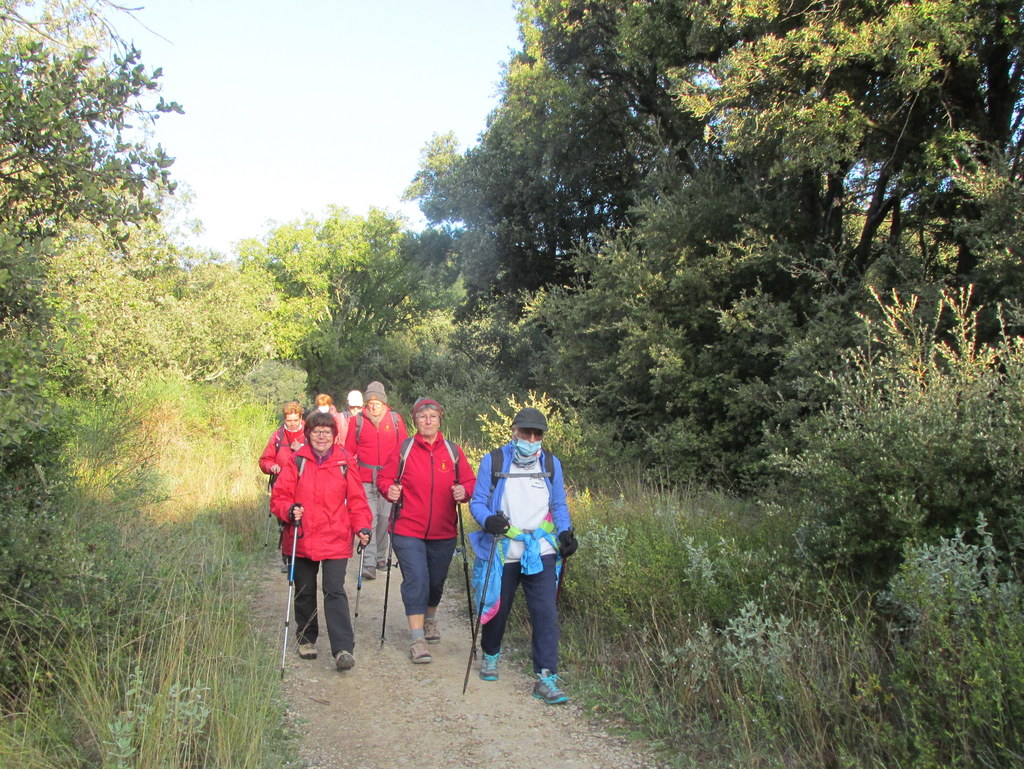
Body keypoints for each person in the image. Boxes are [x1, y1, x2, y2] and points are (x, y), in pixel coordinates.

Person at [468, 407, 578, 704]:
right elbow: (478, 502)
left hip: (540, 549)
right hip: (504, 549)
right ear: (514, 431)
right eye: (525, 433)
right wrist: (488, 520)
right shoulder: (494, 460)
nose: (531, 439)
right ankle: (491, 654)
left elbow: (559, 506)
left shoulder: (552, 464)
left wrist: (566, 533)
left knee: (545, 614)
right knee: (497, 608)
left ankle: (546, 677)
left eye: (536, 434)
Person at [271, 410, 373, 672]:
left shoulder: (345, 461)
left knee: (334, 590)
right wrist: (289, 510)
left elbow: (358, 500)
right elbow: (280, 497)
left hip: (336, 537)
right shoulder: (296, 461)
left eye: (327, 432)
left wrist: (362, 527)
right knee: (305, 590)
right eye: (316, 432)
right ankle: (306, 638)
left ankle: (343, 648)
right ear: (308, 435)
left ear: (334, 435)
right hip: (301, 536)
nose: (321, 436)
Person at [378, 398, 476, 663]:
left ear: (440, 419)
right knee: (417, 579)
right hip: (407, 527)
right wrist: (391, 489)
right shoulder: (404, 449)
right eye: (423, 417)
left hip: (443, 530)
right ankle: (417, 639)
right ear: (415, 421)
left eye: (433, 416)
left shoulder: (452, 451)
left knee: (435, 581)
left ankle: (430, 618)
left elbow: (470, 481)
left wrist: (464, 491)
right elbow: (384, 478)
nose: (428, 421)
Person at [345, 381, 408, 580]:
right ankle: (368, 562)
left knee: (384, 519)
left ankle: (381, 557)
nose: (373, 406)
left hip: (388, 480)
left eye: (377, 402)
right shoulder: (357, 421)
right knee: (369, 519)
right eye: (370, 402)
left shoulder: (395, 420)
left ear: (383, 402)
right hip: (364, 479)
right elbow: (348, 452)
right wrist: (350, 476)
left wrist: (401, 478)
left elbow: (404, 451)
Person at [259, 401, 305, 572]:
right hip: (281, 484)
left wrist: (301, 449)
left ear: (301, 418)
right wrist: (272, 467)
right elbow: (264, 460)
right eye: (289, 421)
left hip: (303, 484)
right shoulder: (278, 436)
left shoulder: (309, 434)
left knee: (301, 519)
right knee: (285, 520)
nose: (292, 424)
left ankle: (298, 556)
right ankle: (287, 557)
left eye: (295, 420)